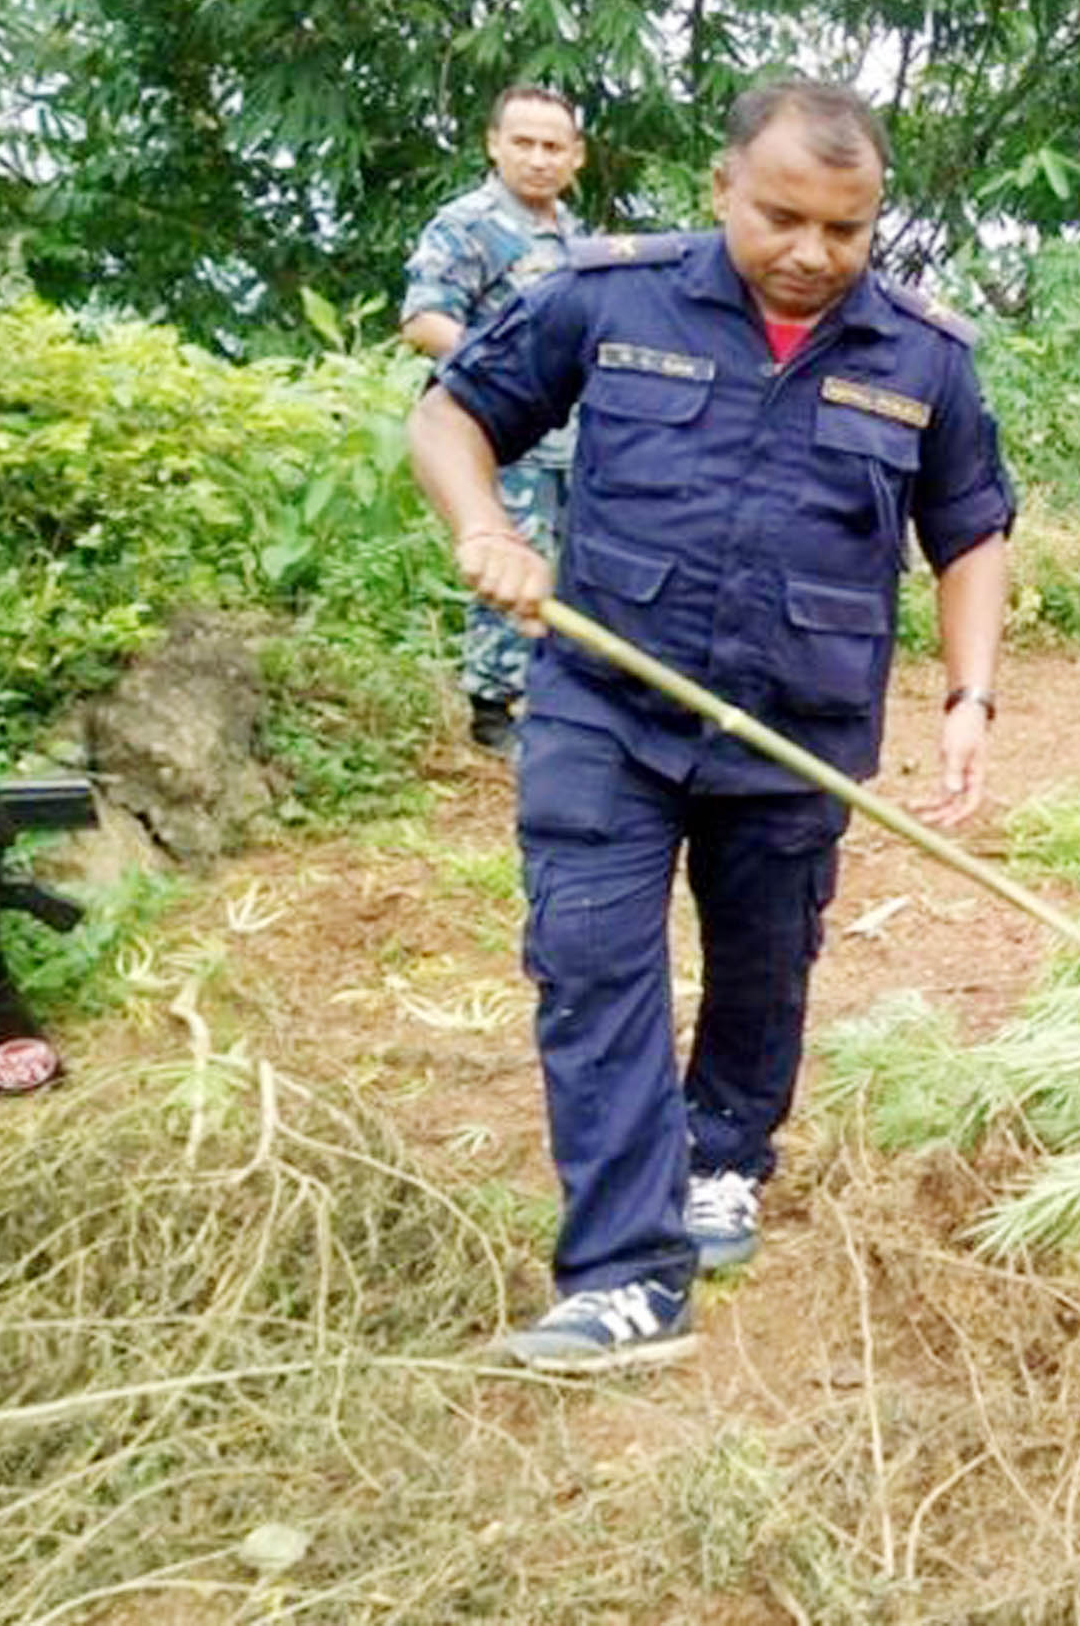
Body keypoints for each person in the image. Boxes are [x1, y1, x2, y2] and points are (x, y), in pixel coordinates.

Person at [407, 78, 1014, 1371]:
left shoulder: (923, 357)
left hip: (797, 727)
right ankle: (627, 1271)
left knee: (762, 960)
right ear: (723, 188)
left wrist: (968, 695)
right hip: (606, 709)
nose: (812, 255)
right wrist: (485, 526)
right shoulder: (607, 293)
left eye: (845, 231)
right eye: (782, 216)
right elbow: (453, 410)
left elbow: (971, 529)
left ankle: (725, 1149)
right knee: (590, 960)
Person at [401, 85, 590, 754]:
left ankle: (554, 700)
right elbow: (424, 320)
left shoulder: (576, 237)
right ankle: (492, 708)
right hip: (497, 434)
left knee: (568, 567)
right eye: (524, 143)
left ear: (576, 157)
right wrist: (508, 371)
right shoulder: (468, 224)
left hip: (571, 440)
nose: (538, 159)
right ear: (494, 144)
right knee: (507, 558)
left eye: (552, 146)